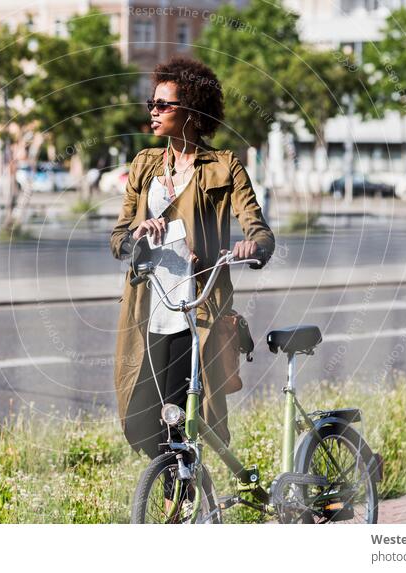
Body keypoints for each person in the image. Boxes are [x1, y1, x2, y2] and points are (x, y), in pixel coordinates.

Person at [109, 56, 276, 463]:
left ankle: (178, 508)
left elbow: (259, 229)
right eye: (152, 103)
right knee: (143, 418)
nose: (153, 110)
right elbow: (118, 239)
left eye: (164, 104)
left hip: (197, 311)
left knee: (182, 423)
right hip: (149, 309)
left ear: (192, 112)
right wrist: (137, 234)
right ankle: (176, 499)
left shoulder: (224, 166)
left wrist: (252, 246)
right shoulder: (145, 164)